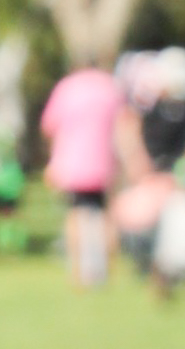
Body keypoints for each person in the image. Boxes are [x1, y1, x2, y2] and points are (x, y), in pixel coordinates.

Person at [38, 57, 122, 288]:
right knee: (105, 215)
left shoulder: (67, 87)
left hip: (73, 164)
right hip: (105, 162)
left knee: (75, 214)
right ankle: (108, 270)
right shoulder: (110, 87)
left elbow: (48, 126)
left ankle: (77, 271)